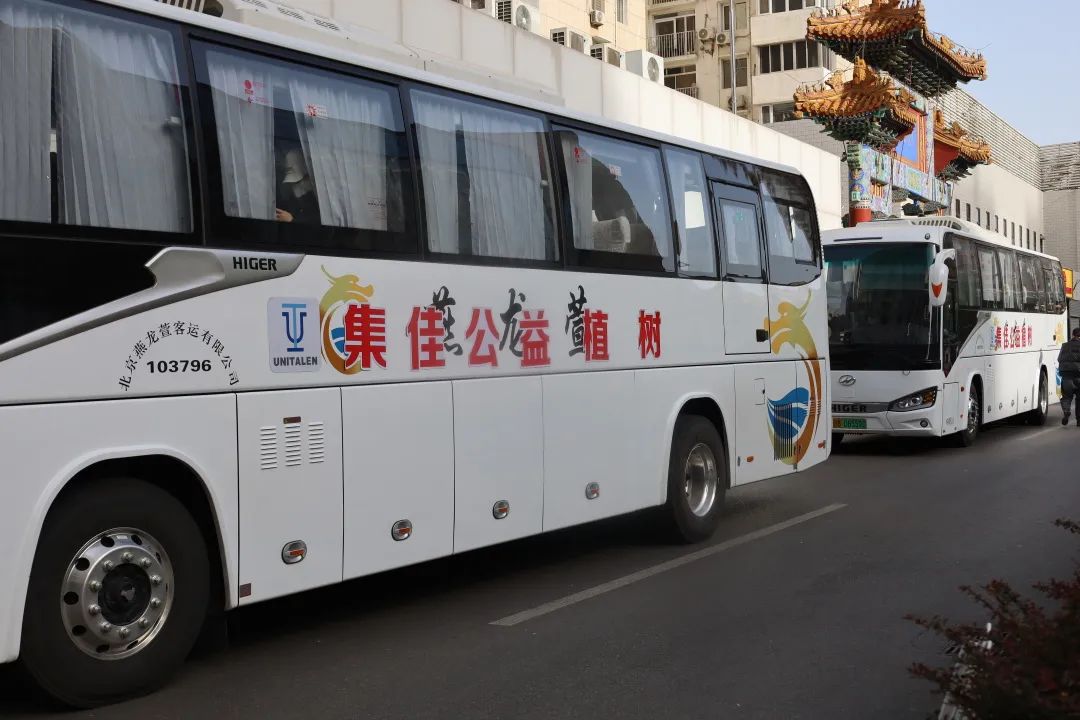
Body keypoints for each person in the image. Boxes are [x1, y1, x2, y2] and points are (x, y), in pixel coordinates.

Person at [275, 148, 319, 224]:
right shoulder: (292, 202)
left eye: (299, 181)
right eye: (292, 183)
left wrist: (292, 220)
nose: (295, 187)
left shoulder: (319, 201)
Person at [1058, 326, 1080, 425]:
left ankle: (1066, 411)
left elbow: (1059, 359)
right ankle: (1079, 420)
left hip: (1066, 375)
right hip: (1078, 375)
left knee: (1066, 397)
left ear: (1072, 335)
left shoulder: (1064, 345)